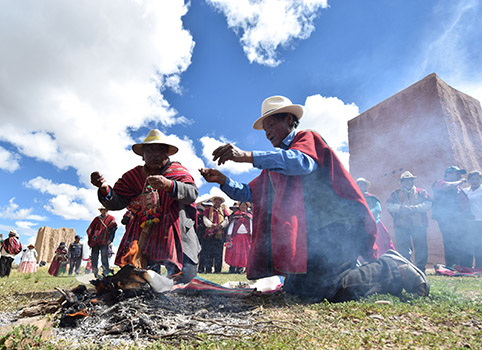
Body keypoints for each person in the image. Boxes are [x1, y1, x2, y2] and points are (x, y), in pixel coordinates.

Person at [200, 95, 429, 302]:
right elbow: (250, 194)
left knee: (329, 291)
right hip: (314, 237)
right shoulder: (272, 166)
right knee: (296, 290)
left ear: (289, 120)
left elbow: (301, 163)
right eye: (265, 128)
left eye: (271, 124)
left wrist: (246, 156)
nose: (267, 132)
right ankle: (351, 271)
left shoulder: (306, 139)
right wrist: (222, 180)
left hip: (340, 227)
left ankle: (390, 268)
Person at [90, 129, 201, 283]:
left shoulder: (177, 171)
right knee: (142, 279)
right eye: (150, 150)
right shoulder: (134, 176)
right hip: (144, 236)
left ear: (167, 154)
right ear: (143, 155)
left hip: (176, 234)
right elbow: (118, 201)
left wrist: (169, 185)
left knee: (185, 278)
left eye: (160, 150)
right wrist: (104, 189)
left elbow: (191, 194)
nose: (155, 154)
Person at [386, 171, 432, 272]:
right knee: (403, 248)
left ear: (413, 181)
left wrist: (415, 208)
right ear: (401, 182)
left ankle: (420, 268)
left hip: (419, 224)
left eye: (410, 180)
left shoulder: (421, 192)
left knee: (421, 247)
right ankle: (408, 269)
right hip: (401, 225)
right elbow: (389, 205)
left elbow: (428, 204)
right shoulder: (395, 194)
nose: (408, 182)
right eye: (405, 180)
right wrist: (401, 208)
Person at [432, 166, 473, 267]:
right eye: (456, 173)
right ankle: (452, 266)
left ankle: (464, 266)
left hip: (460, 220)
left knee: (462, 243)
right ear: (448, 174)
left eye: (459, 174)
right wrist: (459, 182)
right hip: (447, 220)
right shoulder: (440, 182)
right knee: (450, 243)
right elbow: (447, 186)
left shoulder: (458, 189)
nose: (459, 176)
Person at [356, 178, 394, 256]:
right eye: (360, 184)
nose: (362, 186)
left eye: (363, 184)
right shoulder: (355, 198)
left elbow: (378, 209)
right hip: (362, 226)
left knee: (381, 243)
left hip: (375, 224)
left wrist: (367, 214)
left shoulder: (372, 198)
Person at [201, 196, 229, 273]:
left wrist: (221, 225)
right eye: (216, 200)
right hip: (209, 234)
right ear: (214, 202)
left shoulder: (223, 211)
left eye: (219, 201)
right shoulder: (208, 210)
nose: (217, 202)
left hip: (219, 234)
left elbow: (226, 220)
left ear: (221, 202)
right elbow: (205, 219)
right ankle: (208, 269)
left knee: (218, 253)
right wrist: (211, 225)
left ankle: (217, 270)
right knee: (209, 253)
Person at [86, 207, 117, 278]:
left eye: (106, 210)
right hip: (95, 240)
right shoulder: (96, 219)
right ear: (100, 211)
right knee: (94, 257)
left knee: (104, 256)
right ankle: (95, 272)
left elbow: (113, 229)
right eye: (103, 210)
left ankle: (106, 272)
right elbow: (90, 229)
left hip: (105, 240)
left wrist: (110, 239)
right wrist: (91, 239)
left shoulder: (111, 218)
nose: (104, 211)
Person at [225, 201, 252, 273]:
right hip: (236, 237)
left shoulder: (249, 216)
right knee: (234, 253)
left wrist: (252, 234)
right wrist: (229, 234)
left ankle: (240, 268)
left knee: (244, 253)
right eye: (242, 206)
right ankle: (232, 268)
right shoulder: (235, 216)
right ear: (239, 207)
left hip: (246, 237)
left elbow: (251, 225)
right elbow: (232, 225)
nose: (243, 207)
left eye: (244, 206)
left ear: (247, 207)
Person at [463, 171, 482, 268]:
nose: (475, 181)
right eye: (472, 179)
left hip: (480, 221)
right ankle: (467, 267)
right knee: (468, 244)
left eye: (477, 179)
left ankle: (479, 267)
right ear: (469, 180)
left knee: (479, 245)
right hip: (469, 222)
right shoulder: (465, 191)